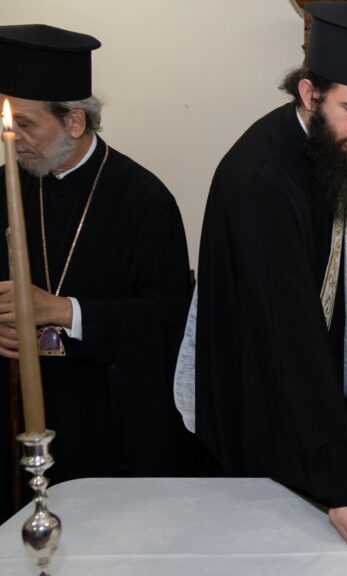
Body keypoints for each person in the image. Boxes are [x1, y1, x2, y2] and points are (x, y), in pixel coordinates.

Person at [184, 3, 347, 544]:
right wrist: (342, 478)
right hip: (262, 401)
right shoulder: (262, 178)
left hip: (294, 394)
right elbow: (290, 335)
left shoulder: (317, 147)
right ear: (309, 93)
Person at [0, 24, 193, 506]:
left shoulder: (144, 200)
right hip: (16, 417)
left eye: (25, 125)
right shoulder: (4, 186)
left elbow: (169, 318)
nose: (12, 139)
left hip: (110, 419)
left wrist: (62, 311)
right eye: (7, 123)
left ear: (74, 122)